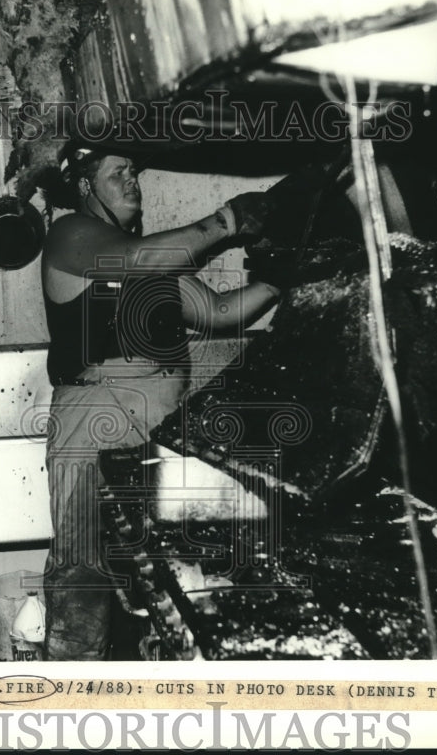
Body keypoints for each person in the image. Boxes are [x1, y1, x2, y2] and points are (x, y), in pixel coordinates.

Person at [41, 143, 282, 660]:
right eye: (117, 173)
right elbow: (135, 258)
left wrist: (283, 278)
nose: (132, 181)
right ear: (85, 187)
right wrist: (228, 221)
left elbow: (219, 311)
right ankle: (67, 699)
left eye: (134, 172)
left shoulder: (155, 262)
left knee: (163, 570)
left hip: (159, 421)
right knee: (84, 573)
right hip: (95, 418)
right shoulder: (70, 234)